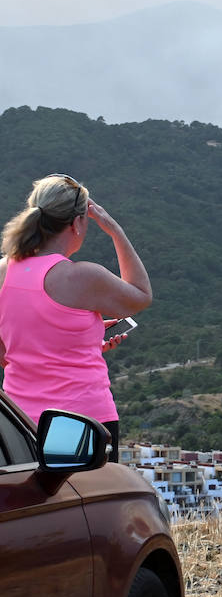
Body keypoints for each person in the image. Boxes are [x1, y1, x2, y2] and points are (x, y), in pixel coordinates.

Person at [0, 174, 152, 449]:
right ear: (77, 223)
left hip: (17, 424)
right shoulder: (80, 277)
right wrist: (115, 230)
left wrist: (74, 342)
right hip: (82, 421)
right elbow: (140, 296)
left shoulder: (3, 273)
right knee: (88, 493)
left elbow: (5, 354)